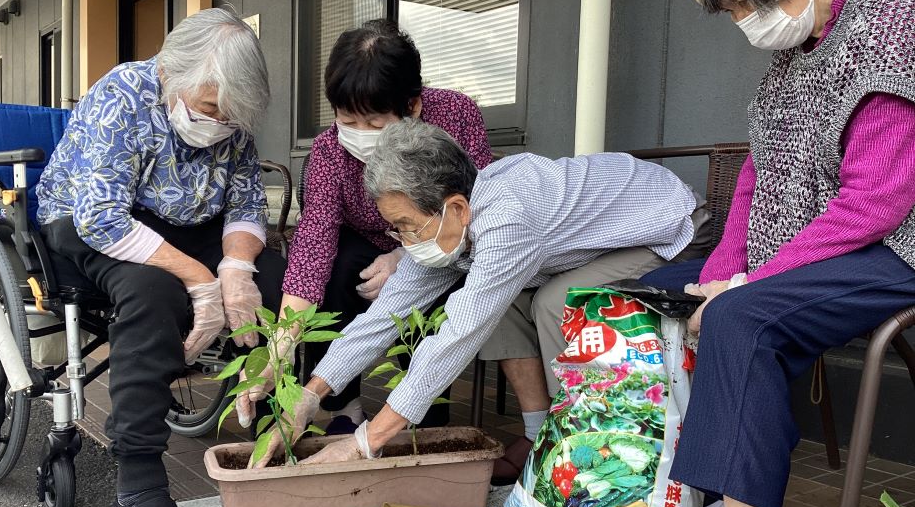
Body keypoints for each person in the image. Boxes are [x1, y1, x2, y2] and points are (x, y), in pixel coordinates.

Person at [636, 0, 915, 507]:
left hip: (897, 247)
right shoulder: (791, 60)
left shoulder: (895, 27)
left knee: (742, 316)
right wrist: (726, 265)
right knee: (647, 298)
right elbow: (760, 178)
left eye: (750, 4)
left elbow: (878, 202)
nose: (746, 23)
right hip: (828, 245)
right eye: (731, 12)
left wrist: (751, 284)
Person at [248, 118, 703, 471]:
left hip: (669, 226)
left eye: (407, 226)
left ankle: (574, 443)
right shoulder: (450, 227)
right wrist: (308, 398)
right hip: (601, 236)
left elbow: (456, 338)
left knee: (553, 302)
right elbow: (381, 319)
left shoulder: (507, 218)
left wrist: (367, 442)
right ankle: (537, 433)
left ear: (457, 207)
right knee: (501, 307)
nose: (402, 240)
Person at [35, 8, 285, 507]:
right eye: (208, 108)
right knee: (152, 293)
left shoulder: (232, 110)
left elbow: (245, 204)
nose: (218, 122)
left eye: (229, 115)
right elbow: (101, 217)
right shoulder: (125, 91)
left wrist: (237, 271)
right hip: (90, 224)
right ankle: (139, 479)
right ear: (171, 71)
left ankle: (278, 432)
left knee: (277, 278)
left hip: (183, 227)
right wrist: (200, 279)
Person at [237, 19, 493, 434]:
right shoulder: (327, 154)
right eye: (345, 120)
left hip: (442, 242)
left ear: (413, 106)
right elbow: (312, 246)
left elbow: (480, 200)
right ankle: (343, 403)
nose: (357, 134)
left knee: (430, 294)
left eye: (373, 124)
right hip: (361, 241)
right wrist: (279, 350)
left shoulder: (456, 115)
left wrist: (404, 254)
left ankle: (422, 417)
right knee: (336, 271)